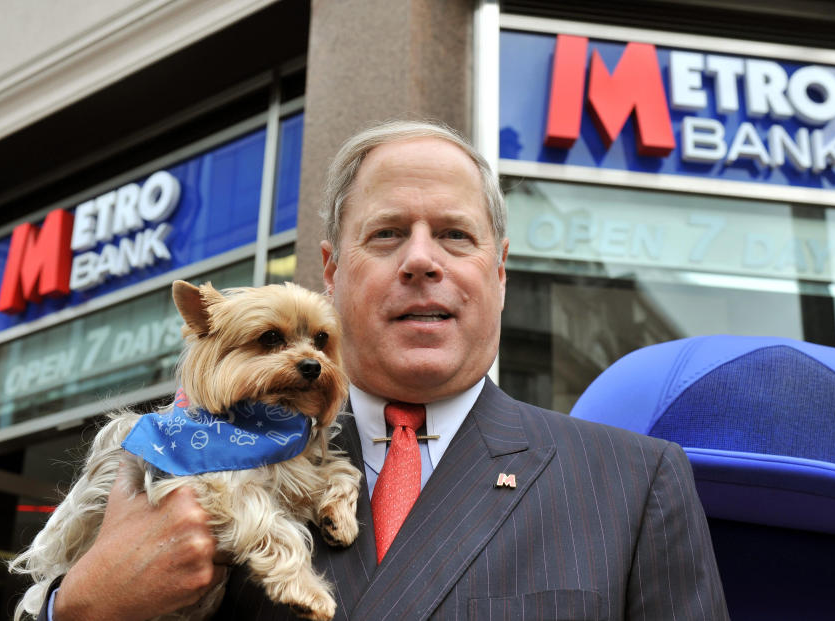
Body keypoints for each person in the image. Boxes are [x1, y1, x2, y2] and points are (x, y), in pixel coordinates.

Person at [44, 120, 729, 620]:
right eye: (388, 233)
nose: (421, 260)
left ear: (500, 271)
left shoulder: (633, 483)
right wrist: (78, 605)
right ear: (332, 272)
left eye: (456, 235)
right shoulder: (193, 455)